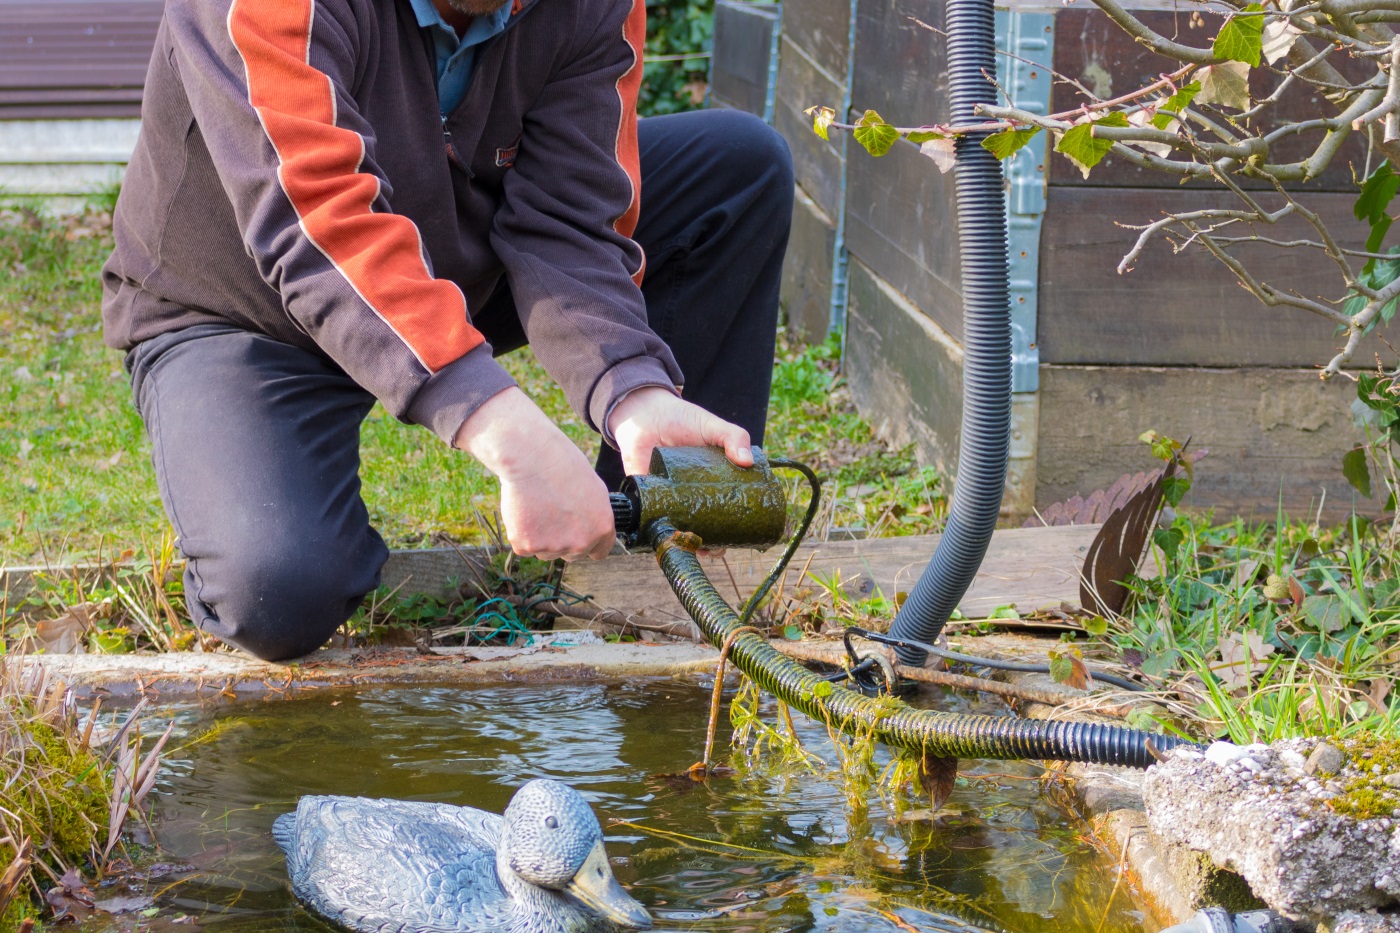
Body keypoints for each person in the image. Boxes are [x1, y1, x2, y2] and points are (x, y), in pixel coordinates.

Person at [101, 0, 793, 662]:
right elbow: (316, 223)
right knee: (278, 588)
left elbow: (570, 219)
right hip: (246, 303)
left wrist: (632, 387)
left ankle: (641, 565)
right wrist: (504, 429)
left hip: (451, 245)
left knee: (737, 168)